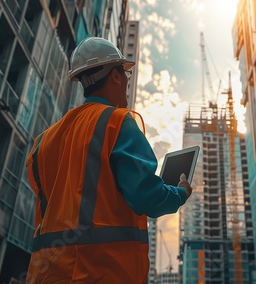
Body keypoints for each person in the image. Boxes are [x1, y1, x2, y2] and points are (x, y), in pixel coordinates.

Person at [26, 37, 192, 283]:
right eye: (125, 73)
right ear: (115, 76)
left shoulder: (43, 141)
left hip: (45, 273)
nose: (126, 80)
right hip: (101, 272)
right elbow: (148, 197)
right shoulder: (117, 123)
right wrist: (180, 193)